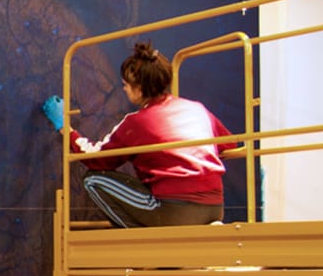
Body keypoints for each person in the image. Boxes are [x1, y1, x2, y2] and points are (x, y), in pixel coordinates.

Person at [41, 43, 237, 228]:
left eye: (126, 85)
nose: (124, 89)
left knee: (93, 180)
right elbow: (229, 145)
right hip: (215, 209)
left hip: (175, 211)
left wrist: (65, 127)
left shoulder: (137, 122)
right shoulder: (197, 109)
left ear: (140, 88)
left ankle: (144, 240)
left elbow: (95, 158)